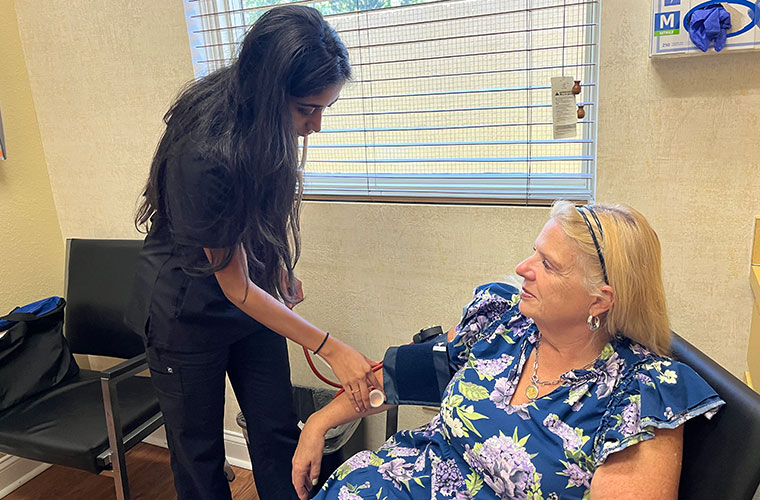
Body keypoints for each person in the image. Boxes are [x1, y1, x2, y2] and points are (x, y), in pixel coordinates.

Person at [292, 201, 725, 500]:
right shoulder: (506, 322)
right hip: (385, 480)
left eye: (548, 264)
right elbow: (406, 377)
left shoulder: (640, 395)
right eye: (534, 253)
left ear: (599, 300)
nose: (523, 269)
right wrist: (319, 421)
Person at [125, 6, 380, 500]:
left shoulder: (262, 121)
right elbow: (235, 286)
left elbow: (256, 215)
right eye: (308, 109)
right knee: (198, 455)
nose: (316, 126)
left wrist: (279, 264)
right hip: (185, 312)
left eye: (324, 109)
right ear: (269, 94)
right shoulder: (206, 151)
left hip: (247, 297)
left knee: (277, 432)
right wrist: (332, 346)